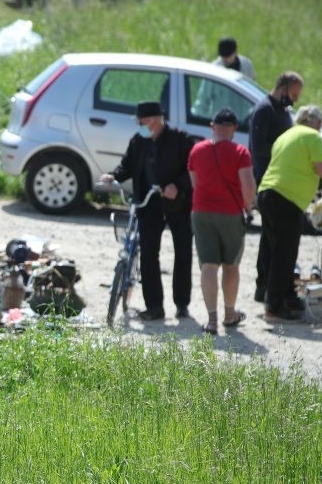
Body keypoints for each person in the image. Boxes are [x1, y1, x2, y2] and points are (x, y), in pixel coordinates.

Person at [101, 101, 195, 321]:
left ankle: (182, 304)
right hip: (148, 203)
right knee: (149, 254)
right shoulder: (138, 141)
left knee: (183, 252)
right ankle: (154, 306)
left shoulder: (181, 140)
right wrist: (113, 176)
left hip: (178, 204)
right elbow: (126, 165)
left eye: (142, 121)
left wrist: (178, 186)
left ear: (154, 120)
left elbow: (193, 170)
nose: (139, 126)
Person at [257, 105, 322, 321]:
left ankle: (285, 296)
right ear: (317, 123)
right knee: (284, 254)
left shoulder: (286, 135)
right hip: (286, 199)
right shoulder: (312, 136)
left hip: (267, 193)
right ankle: (273, 306)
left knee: (275, 250)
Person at [187, 108, 256, 335]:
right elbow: (247, 186)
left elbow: (195, 183)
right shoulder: (240, 152)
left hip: (201, 213)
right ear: (234, 129)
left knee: (208, 266)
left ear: (212, 126)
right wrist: (248, 208)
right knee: (230, 266)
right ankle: (229, 314)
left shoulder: (197, 150)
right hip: (230, 214)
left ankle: (212, 320)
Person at [249, 71, 304, 302]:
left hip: (280, 181)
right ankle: (266, 286)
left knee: (270, 238)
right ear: (281, 88)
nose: (294, 100)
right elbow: (257, 146)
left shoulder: (282, 111)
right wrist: (284, 152)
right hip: (268, 181)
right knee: (273, 239)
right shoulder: (264, 110)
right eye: (292, 94)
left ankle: (265, 285)